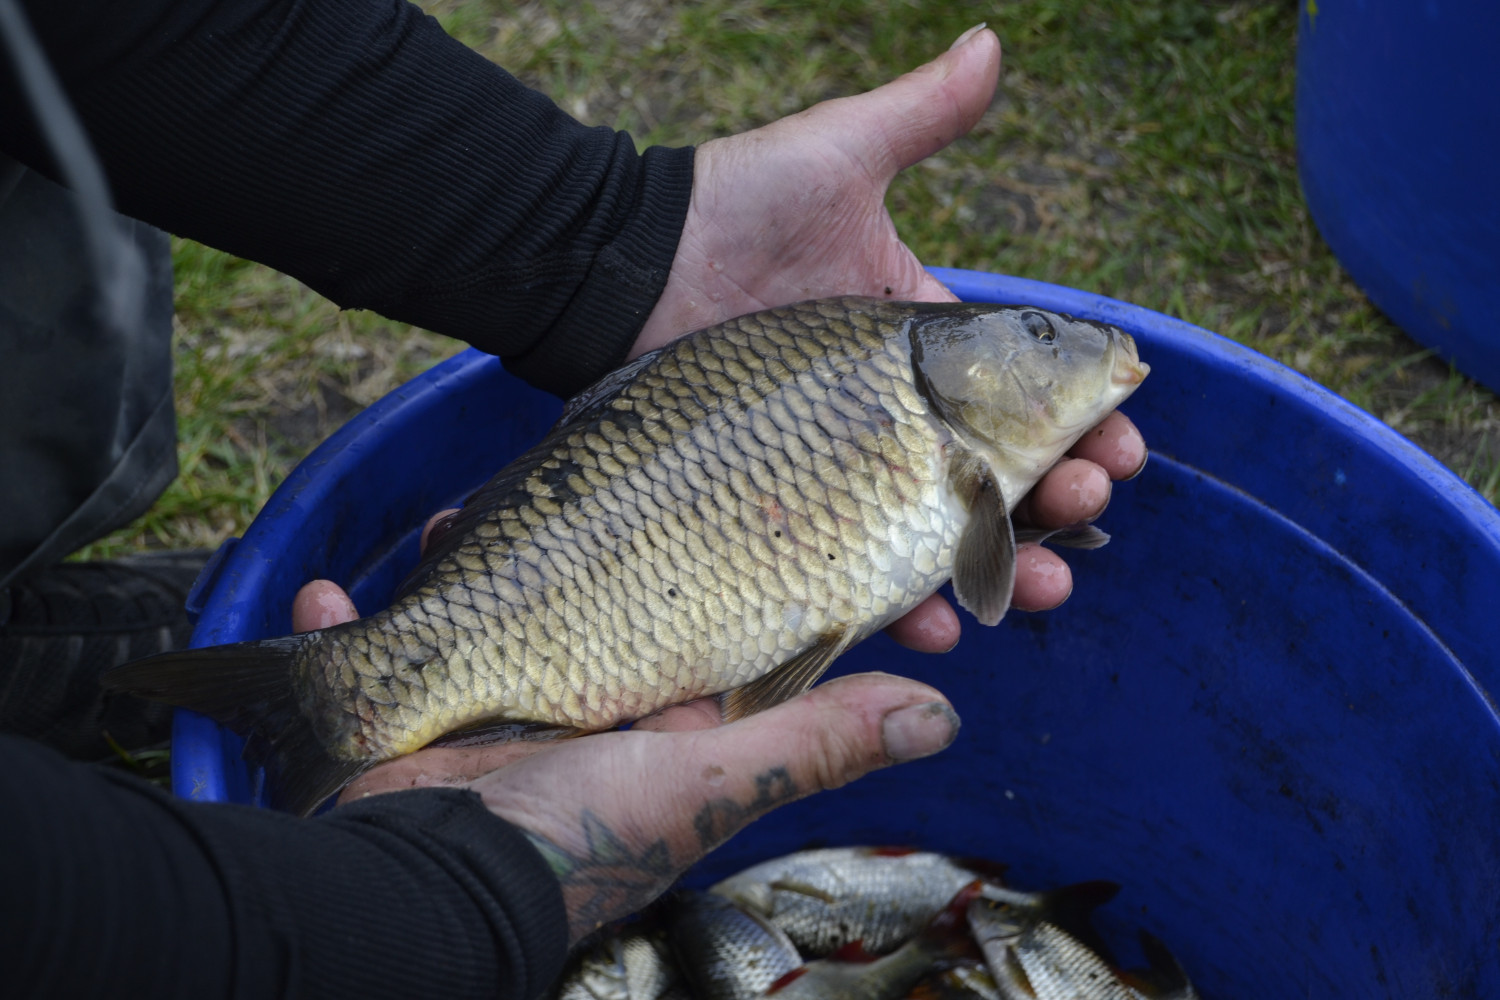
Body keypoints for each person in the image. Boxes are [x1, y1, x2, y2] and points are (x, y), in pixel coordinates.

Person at [0, 2, 1149, 996]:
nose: (1075, 347)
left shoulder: (929, 411)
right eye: (1040, 341)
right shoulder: (932, 429)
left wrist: (615, 237)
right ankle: (319, 710)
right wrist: (442, 905)